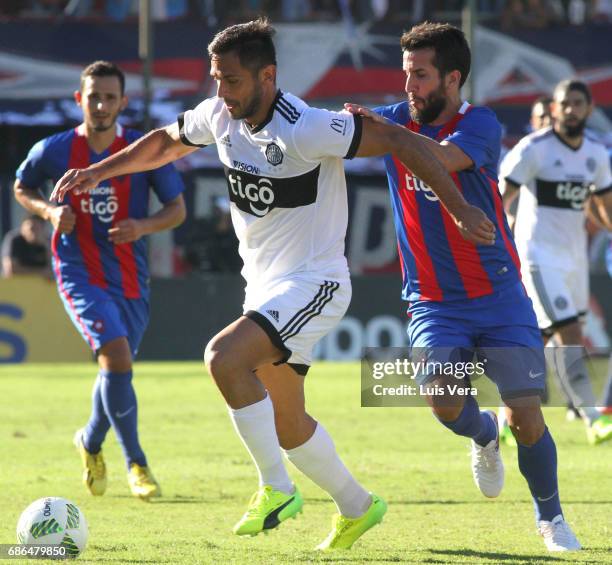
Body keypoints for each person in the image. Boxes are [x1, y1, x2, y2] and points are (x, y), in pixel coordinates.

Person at [51, 18, 494, 550]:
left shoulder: (307, 125)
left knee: (223, 358)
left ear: (268, 76)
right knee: (287, 423)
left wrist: (460, 204)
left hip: (316, 283)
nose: (221, 92)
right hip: (264, 288)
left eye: (232, 81)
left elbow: (400, 139)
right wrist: (102, 172)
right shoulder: (220, 114)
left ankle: (275, 488)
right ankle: (358, 506)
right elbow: (166, 142)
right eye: (216, 79)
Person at [345, 22, 581, 551]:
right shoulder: (393, 119)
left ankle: (552, 518)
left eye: (421, 76)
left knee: (525, 409)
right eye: (406, 75)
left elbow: (438, 163)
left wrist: (382, 130)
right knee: (442, 401)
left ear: (453, 78)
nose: (409, 88)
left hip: (498, 294)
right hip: (433, 300)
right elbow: (333, 132)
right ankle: (482, 435)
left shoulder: (482, 124)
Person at [13, 60, 186, 500]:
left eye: (110, 97)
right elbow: (22, 186)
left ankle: (90, 442)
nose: (101, 104)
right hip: (78, 272)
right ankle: (137, 464)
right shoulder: (53, 150)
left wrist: (142, 227)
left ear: (123, 103)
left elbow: (177, 210)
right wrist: (50, 212)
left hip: (131, 278)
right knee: (116, 355)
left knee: (118, 367)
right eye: (94, 96)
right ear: (79, 99)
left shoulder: (142, 152)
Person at [499, 79, 612, 446]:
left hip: (573, 258)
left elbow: (603, 204)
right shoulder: (534, 149)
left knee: (542, 337)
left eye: (577, 103)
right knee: (570, 335)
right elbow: (501, 196)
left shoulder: (596, 154)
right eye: (564, 104)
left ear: (589, 109)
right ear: (553, 109)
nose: (570, 110)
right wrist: (498, 238)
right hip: (537, 255)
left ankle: (503, 412)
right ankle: (593, 418)